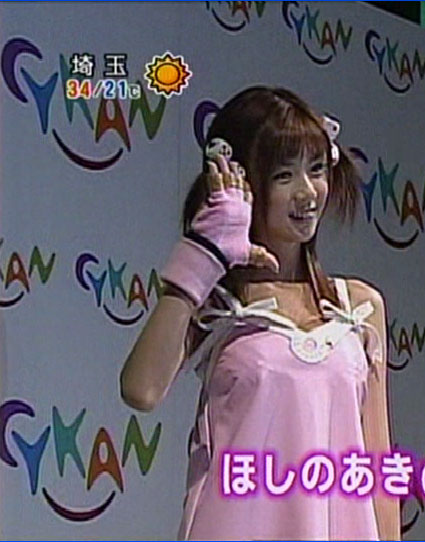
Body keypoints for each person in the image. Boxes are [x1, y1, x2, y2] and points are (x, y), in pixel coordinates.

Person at [119, 86, 400, 540]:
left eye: (316, 169)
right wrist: (205, 252)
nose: (307, 192)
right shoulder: (216, 302)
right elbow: (140, 389)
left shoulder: (361, 308)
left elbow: (378, 464)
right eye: (284, 175)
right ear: (245, 182)